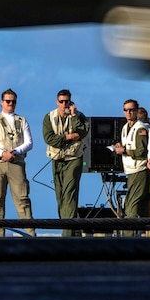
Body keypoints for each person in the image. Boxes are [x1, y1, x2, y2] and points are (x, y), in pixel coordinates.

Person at [0, 88, 36, 237]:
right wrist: (3, 153)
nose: (11, 104)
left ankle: (30, 235)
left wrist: (14, 152)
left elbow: (29, 142)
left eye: (13, 101)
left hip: (17, 163)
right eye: (8, 101)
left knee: (23, 199)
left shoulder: (22, 121)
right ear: (1, 103)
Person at [42, 89, 89, 236]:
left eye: (67, 101)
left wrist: (74, 116)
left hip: (74, 158)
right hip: (57, 159)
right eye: (61, 101)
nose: (64, 104)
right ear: (57, 102)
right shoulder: (49, 117)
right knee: (60, 196)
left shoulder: (79, 116)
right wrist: (69, 137)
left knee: (69, 193)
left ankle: (66, 234)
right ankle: (69, 226)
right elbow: (49, 138)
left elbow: (83, 131)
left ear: (71, 102)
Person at [113, 99, 150, 218]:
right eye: (126, 110)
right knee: (142, 206)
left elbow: (142, 151)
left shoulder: (141, 128)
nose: (128, 112)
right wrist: (121, 146)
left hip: (139, 170)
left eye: (131, 110)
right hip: (130, 170)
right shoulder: (125, 128)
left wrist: (124, 151)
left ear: (136, 111)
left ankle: (130, 235)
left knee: (131, 205)